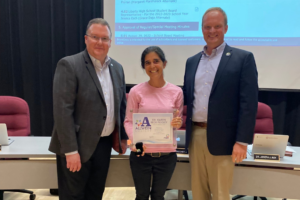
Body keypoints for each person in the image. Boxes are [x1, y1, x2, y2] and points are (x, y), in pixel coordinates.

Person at [183, 7, 258, 200]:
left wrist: (241, 141)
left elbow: (248, 103)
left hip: (224, 139)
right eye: (207, 27)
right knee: (198, 193)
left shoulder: (243, 59)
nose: (212, 31)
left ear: (226, 28)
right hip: (195, 136)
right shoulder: (192, 61)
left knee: (221, 194)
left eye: (217, 26)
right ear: (202, 29)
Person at [49, 18, 128, 200]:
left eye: (105, 38)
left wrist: (122, 137)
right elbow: (63, 112)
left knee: (95, 194)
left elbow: (121, 107)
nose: (100, 42)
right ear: (86, 39)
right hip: (76, 146)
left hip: (103, 145)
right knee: (73, 196)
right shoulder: (69, 65)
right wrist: (70, 151)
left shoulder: (118, 68)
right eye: (95, 37)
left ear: (110, 42)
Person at [124, 46, 183, 200]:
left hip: (167, 155)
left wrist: (177, 123)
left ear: (164, 63)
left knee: (159, 196)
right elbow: (128, 122)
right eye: (147, 62)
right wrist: (136, 143)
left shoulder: (176, 92)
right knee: (141, 196)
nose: (152, 66)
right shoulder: (136, 92)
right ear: (144, 67)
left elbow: (178, 121)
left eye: (156, 61)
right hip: (140, 154)